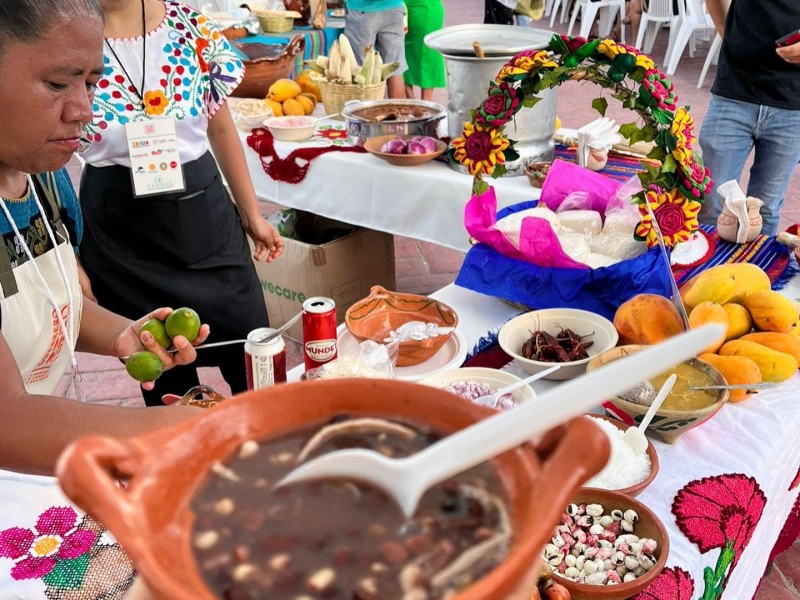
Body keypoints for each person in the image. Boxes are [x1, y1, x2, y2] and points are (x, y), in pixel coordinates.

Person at [0, 0, 211, 596]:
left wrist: (122, 333)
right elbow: (5, 418)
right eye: (56, 82)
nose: (83, 110)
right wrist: (181, 433)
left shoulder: (42, 176)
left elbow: (50, 297)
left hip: (37, 469)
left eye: (91, 82)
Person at [79, 0, 284, 406]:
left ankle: (271, 448)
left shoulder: (189, 25)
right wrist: (71, 255)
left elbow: (221, 128)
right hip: (121, 237)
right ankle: (185, 460)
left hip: (203, 217)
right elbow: (39, 151)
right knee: (164, 370)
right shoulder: (66, 33)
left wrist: (252, 214)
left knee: (253, 355)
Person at [698, 0, 800, 236]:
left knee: (766, 210)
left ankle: (757, 271)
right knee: (712, 203)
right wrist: (730, 37)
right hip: (734, 90)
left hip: (793, 103)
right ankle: (707, 271)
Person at [344, 0, 408, 98]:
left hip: (363, 11)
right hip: (394, 9)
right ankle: (397, 111)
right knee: (395, 67)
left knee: (361, 69)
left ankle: (365, 112)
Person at [403, 0, 446, 101]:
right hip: (427, 10)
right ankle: (424, 105)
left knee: (402, 53)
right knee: (428, 53)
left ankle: (414, 102)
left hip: (411, 8)